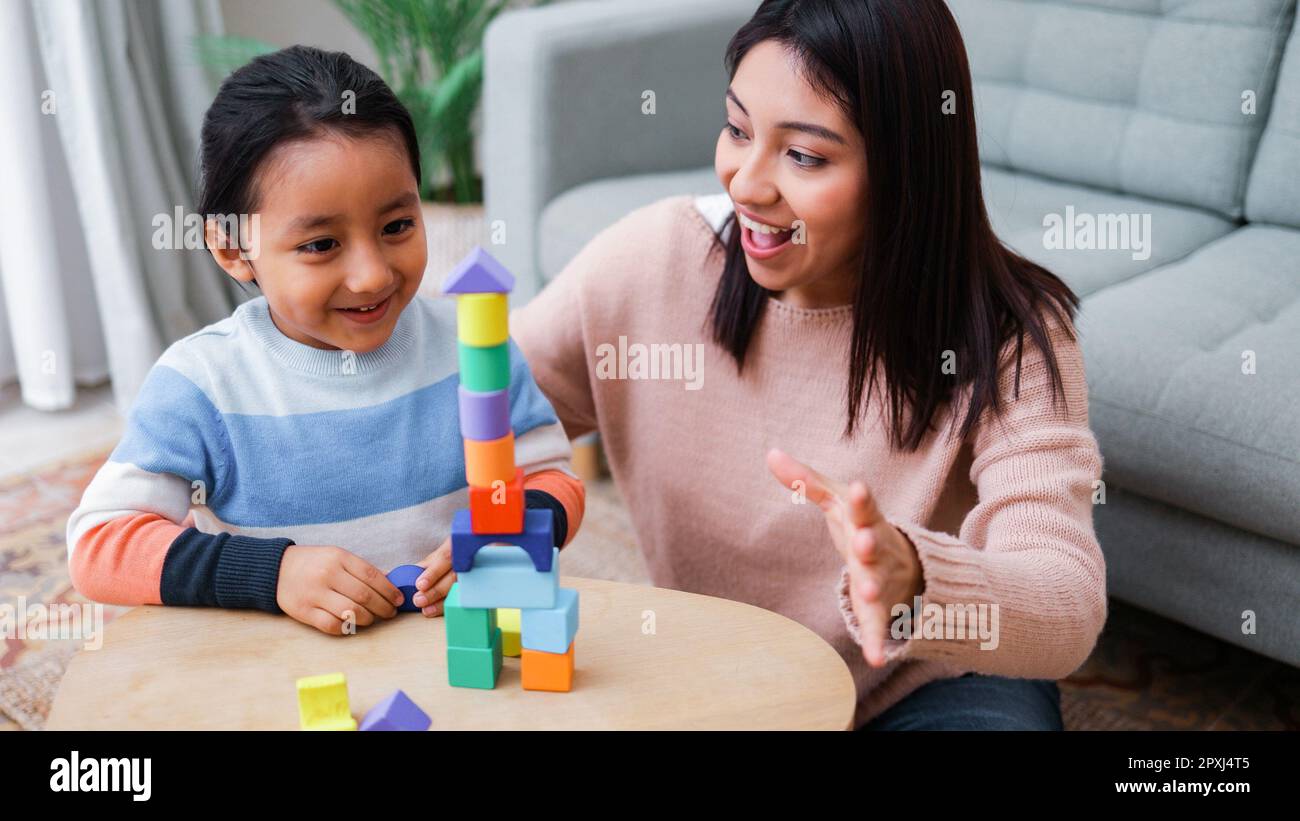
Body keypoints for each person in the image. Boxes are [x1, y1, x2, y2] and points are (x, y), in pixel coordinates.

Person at [511, 0, 1105, 729]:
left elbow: (1068, 603)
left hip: (927, 686)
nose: (746, 183)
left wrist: (914, 580)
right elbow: (474, 413)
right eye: (737, 128)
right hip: (724, 678)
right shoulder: (653, 261)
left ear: (906, 165)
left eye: (804, 156)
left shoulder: (1011, 334)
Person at [66, 46, 584, 635]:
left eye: (397, 227)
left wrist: (508, 541)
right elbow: (99, 545)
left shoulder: (476, 344)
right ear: (233, 249)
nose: (372, 276)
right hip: (285, 679)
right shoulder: (203, 383)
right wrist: (274, 573)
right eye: (320, 245)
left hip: (454, 655)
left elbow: (554, 481)